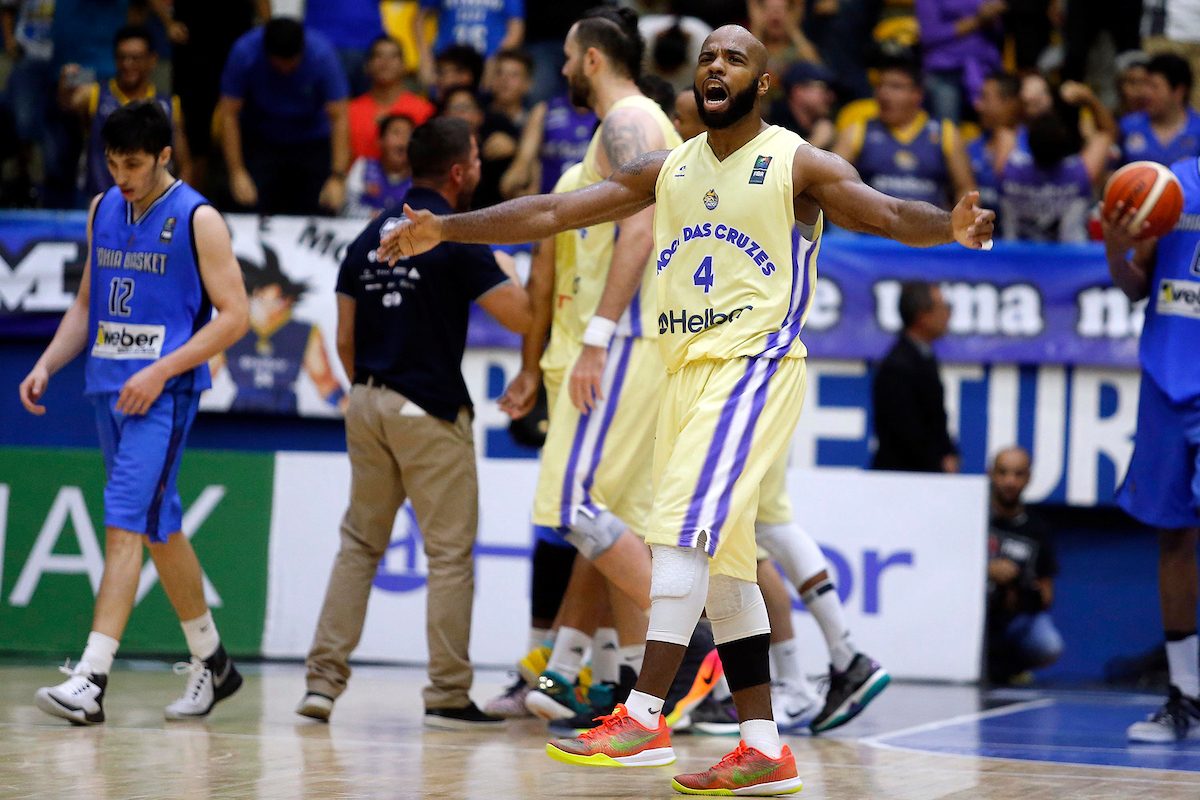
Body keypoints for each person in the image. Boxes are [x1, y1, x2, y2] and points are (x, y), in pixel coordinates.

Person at [378, 24, 992, 795]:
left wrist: (949, 227)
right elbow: (551, 213)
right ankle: (763, 747)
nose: (715, 66)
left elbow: (889, 214)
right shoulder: (669, 167)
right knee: (727, 572)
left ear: (761, 83)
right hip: (681, 375)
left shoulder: (797, 162)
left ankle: (644, 713)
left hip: (753, 365)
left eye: (734, 58)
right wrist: (446, 229)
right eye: (707, 58)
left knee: (676, 532)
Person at [17, 100, 250, 725]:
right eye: (113, 164)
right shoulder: (102, 209)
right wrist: (47, 363)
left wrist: (161, 370)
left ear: (164, 156)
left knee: (124, 521)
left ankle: (91, 678)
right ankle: (213, 662)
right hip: (109, 388)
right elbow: (86, 304)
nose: (122, 176)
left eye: (134, 165)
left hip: (162, 395)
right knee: (158, 525)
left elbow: (236, 316)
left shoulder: (199, 218)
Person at [296, 116, 533, 729]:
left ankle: (321, 685)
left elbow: (344, 338)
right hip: (428, 408)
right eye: (475, 158)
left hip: (366, 402)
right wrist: (505, 261)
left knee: (359, 545)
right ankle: (448, 694)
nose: (479, 167)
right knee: (449, 555)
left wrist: (370, 391)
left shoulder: (367, 236)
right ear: (458, 172)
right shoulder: (453, 233)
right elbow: (523, 317)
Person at [674, 88, 889, 735]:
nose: (680, 129)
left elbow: (881, 212)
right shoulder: (695, 182)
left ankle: (807, 675)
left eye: (683, 118)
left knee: (758, 532)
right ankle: (831, 661)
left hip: (753, 378)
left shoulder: (781, 174)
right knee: (756, 535)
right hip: (730, 377)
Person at [500, 5, 680, 722]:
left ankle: (697, 644)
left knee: (574, 506)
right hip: (630, 341)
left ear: (595, 59)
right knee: (618, 521)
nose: (565, 69)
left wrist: (599, 336)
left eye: (570, 58)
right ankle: (640, 694)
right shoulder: (630, 127)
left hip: (625, 341)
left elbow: (640, 229)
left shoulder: (628, 122)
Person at [1104, 154, 1200, 743]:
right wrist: (1118, 249)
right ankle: (1185, 694)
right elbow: (1135, 285)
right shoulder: (1171, 183)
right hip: (1166, 381)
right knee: (1175, 537)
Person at [219, 17, 350, 216]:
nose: (286, 69)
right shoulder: (244, 53)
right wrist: (236, 171)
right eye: (279, 64)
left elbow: (339, 117)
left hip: (312, 140)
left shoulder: (322, 55)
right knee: (244, 202)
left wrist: (337, 177)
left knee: (325, 204)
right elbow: (229, 114)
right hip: (260, 139)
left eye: (291, 63)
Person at [60, 25, 192, 198]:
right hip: (100, 198)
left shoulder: (169, 106)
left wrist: (176, 202)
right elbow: (66, 105)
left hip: (152, 205)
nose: (127, 64)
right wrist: (65, 82)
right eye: (122, 57)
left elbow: (185, 165)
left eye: (136, 58)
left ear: (152, 60)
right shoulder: (94, 95)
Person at [210, 247, 346, 414]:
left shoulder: (304, 332)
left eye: (281, 299)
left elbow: (325, 382)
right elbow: (204, 378)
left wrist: (349, 407)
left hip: (284, 412)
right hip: (241, 412)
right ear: (254, 294)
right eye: (263, 297)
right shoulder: (230, 328)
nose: (275, 305)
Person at [834, 57, 976, 209]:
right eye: (880, 86)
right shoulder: (858, 130)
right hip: (871, 223)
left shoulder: (945, 133)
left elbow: (965, 188)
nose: (884, 94)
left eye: (895, 87)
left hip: (929, 222)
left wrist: (964, 218)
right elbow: (831, 179)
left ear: (917, 94)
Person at [999, 81, 1114, 243]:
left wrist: (1024, 100)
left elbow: (1004, 128)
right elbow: (1106, 132)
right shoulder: (1080, 174)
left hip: (1014, 257)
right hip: (1070, 257)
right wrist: (1088, 98)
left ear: (1028, 142)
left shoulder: (1008, 171)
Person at [986, 446, 1063, 683]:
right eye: (1003, 472)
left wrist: (1019, 586)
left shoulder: (1037, 529)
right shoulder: (973, 517)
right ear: (991, 474)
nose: (1010, 482)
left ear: (1028, 478)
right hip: (973, 615)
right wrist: (987, 570)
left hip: (1015, 618)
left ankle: (1008, 668)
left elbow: (1047, 594)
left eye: (1018, 474)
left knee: (1048, 644)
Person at [871, 281, 958, 473]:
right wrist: (939, 463)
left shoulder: (924, 356)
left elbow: (936, 419)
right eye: (943, 307)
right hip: (902, 477)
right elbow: (904, 433)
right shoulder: (898, 366)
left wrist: (949, 452)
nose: (948, 314)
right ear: (922, 317)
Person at [912, 0, 1004, 123]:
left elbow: (1000, 32)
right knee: (947, 128)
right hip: (945, 73)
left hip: (986, 70)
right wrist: (977, 20)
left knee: (994, 126)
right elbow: (929, 35)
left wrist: (994, 17)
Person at [347, 36, 435, 162]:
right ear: (367, 66)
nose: (385, 62)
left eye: (393, 56)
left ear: (404, 66)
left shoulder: (424, 110)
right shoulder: (349, 112)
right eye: (379, 56)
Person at [416, 0, 524, 90]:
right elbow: (419, 19)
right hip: (448, 63)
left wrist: (495, 60)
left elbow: (516, 28)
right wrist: (425, 59)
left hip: (487, 61)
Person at [1119, 54, 1200, 167]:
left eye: (1154, 87)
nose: (1145, 93)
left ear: (1179, 91)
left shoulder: (1197, 130)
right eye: (1145, 85)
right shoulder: (1128, 126)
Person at [968, 71, 1024, 220]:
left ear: (1009, 103)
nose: (977, 105)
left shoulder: (1032, 148)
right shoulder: (971, 148)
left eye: (985, 98)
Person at [344, 113, 415, 218]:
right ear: (380, 140)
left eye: (409, 134)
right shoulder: (363, 167)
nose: (403, 141)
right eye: (396, 133)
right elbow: (346, 210)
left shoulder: (421, 177)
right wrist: (377, 216)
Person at [766, 61, 834, 149]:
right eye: (824, 89)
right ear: (798, 91)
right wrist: (816, 141)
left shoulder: (818, 125)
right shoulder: (774, 128)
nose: (830, 97)